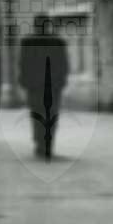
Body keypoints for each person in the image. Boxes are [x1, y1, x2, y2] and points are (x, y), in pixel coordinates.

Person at [17, 12, 70, 159]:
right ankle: (47, 144)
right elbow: (64, 65)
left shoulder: (27, 42)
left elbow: (23, 64)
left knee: (37, 115)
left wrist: (24, 81)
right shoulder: (58, 42)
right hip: (52, 87)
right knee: (51, 115)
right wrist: (61, 81)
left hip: (35, 87)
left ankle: (40, 143)